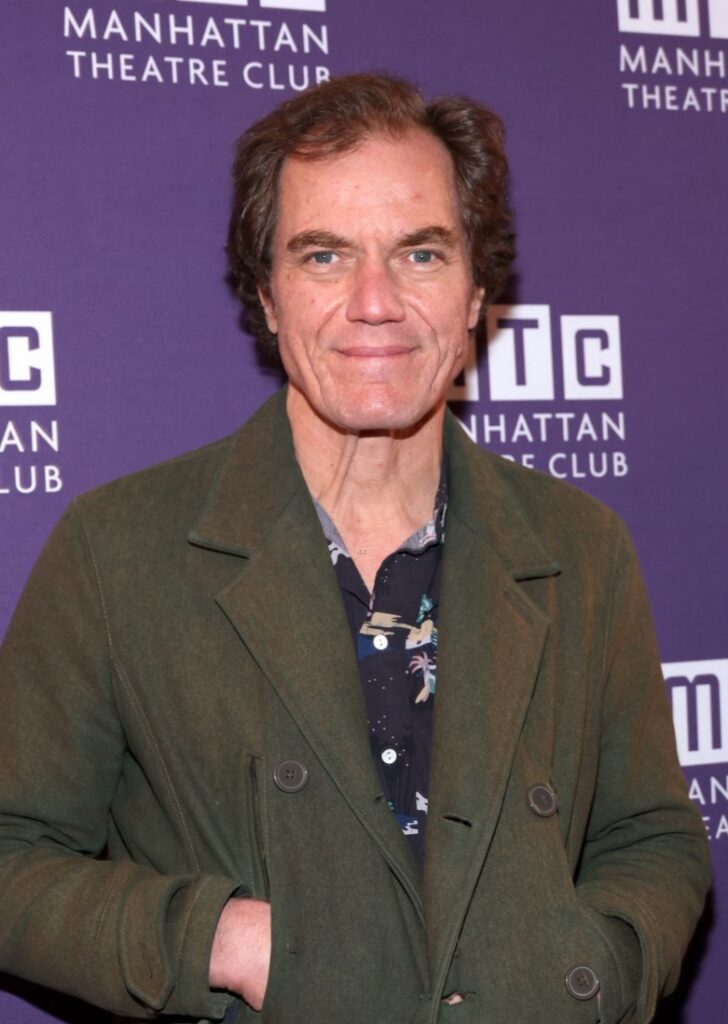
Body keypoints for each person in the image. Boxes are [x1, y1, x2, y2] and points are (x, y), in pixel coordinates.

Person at [0, 73, 710, 1024]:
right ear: (268, 294)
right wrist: (220, 942)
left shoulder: (581, 547)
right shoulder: (118, 550)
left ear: (476, 292)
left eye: (421, 253)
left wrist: (593, 968)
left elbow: (653, 836)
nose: (376, 302)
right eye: (325, 255)